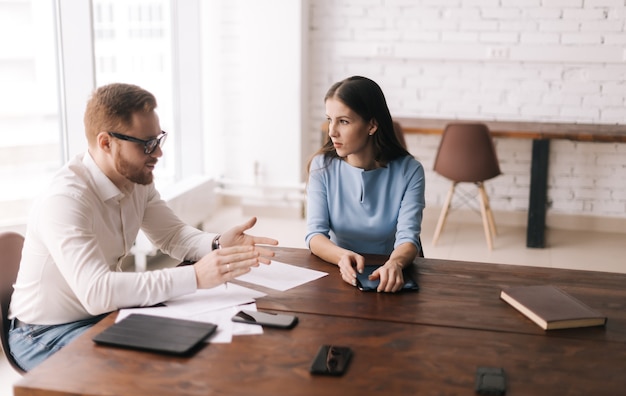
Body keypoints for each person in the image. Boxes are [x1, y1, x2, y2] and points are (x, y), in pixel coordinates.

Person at [8, 83, 278, 372]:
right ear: (106, 142)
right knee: (146, 373)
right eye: (146, 143)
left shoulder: (135, 179)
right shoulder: (65, 200)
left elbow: (172, 234)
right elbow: (97, 291)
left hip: (103, 313)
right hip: (45, 332)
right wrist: (196, 276)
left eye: (159, 139)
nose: (158, 152)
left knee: (200, 345)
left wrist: (217, 243)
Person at [305, 76, 425, 293]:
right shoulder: (321, 166)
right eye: (329, 119)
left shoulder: (410, 171)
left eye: (343, 121)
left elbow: (408, 238)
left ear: (372, 125)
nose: (332, 131)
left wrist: (395, 263)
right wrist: (342, 257)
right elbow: (315, 235)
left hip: (387, 276)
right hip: (337, 271)